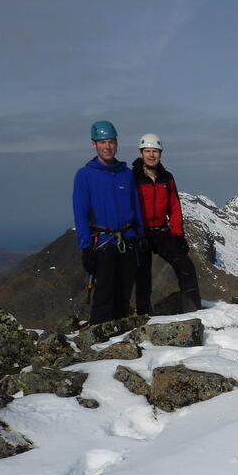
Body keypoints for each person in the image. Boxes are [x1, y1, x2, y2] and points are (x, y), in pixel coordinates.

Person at [73, 120, 144, 325]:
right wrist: (86, 247)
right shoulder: (85, 175)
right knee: (104, 298)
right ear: (94, 144)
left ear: (117, 143)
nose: (107, 147)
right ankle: (100, 347)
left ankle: (120, 345)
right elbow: (81, 213)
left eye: (111, 142)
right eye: (102, 142)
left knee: (123, 297)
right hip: (103, 244)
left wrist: (140, 235)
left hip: (128, 242)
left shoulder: (126, 174)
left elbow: (135, 206)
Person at [132, 133, 202, 315]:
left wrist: (178, 235)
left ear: (160, 154)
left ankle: (193, 311)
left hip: (162, 232)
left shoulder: (167, 178)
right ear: (141, 154)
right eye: (147, 151)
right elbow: (129, 207)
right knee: (143, 277)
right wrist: (136, 232)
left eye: (155, 151)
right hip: (142, 234)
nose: (151, 155)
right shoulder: (133, 177)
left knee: (186, 267)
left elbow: (174, 207)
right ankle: (143, 316)